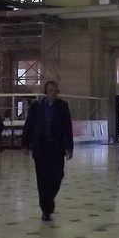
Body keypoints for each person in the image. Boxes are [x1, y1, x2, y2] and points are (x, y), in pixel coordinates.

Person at [22, 80, 74, 221]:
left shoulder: (62, 106)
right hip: (41, 148)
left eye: (55, 90)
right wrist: (25, 144)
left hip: (57, 148)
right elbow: (29, 125)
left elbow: (67, 127)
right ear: (46, 92)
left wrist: (69, 147)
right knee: (42, 179)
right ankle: (45, 209)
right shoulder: (36, 106)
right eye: (50, 90)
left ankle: (48, 200)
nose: (53, 92)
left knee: (57, 175)